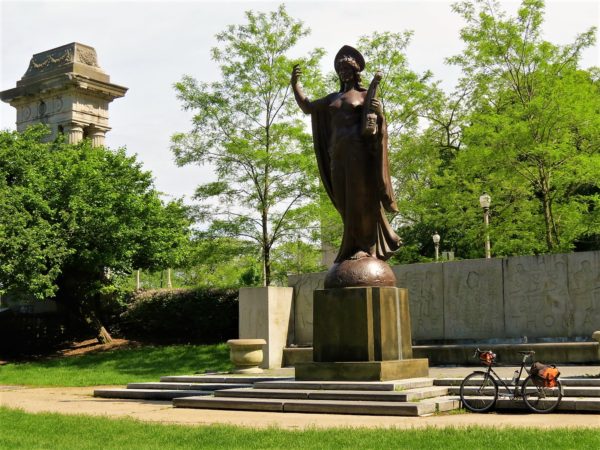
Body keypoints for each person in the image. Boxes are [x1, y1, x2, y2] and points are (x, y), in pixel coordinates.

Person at [291, 45, 401, 263]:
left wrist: (379, 115)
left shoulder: (363, 96)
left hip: (358, 156)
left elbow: (376, 123)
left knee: (360, 201)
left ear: (356, 71)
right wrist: (295, 84)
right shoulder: (333, 98)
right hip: (338, 158)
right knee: (344, 203)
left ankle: (366, 248)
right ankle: (351, 246)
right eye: (340, 69)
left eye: (347, 68)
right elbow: (308, 107)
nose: (344, 72)